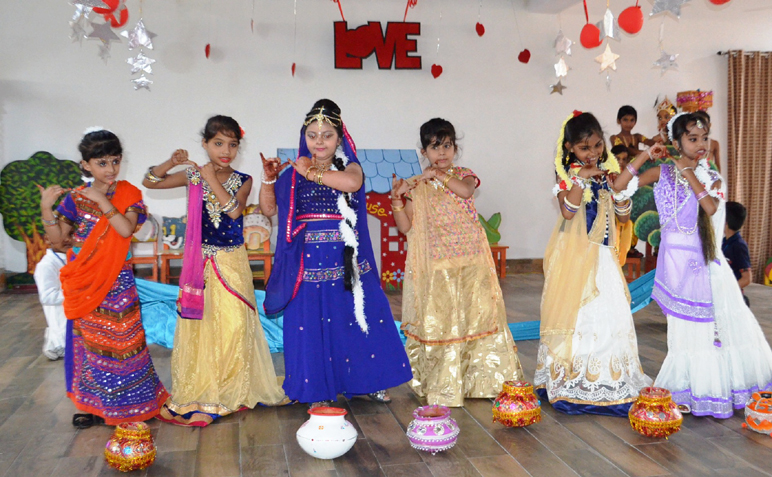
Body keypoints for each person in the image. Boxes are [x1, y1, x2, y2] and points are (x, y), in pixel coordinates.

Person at [615, 112, 772, 418]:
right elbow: (621, 186)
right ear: (676, 143)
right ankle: (688, 388)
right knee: (681, 332)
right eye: (692, 138)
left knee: (707, 331)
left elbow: (711, 208)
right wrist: (646, 154)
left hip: (704, 265)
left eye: (704, 138)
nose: (701, 144)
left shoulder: (712, 178)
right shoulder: (661, 172)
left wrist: (688, 172)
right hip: (674, 264)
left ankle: (707, 390)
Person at [261, 99, 412, 408]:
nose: (319, 141)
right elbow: (268, 209)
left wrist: (311, 174)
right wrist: (268, 180)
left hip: (347, 260)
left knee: (358, 319)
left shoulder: (348, 168)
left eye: (327, 135)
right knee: (312, 325)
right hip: (307, 264)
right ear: (304, 137)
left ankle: (368, 381)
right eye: (312, 135)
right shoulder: (293, 174)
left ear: (339, 139)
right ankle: (316, 390)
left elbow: (351, 183)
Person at [143, 115, 286, 426]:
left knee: (235, 325)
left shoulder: (244, 179)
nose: (226, 151)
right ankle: (206, 388)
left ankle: (234, 387)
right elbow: (150, 182)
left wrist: (210, 179)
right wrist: (171, 163)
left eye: (232, 145)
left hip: (231, 262)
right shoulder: (192, 175)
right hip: (199, 263)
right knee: (202, 326)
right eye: (218, 143)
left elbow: (234, 211)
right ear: (205, 144)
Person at [38, 128, 169, 429]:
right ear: (86, 165)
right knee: (89, 344)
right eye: (101, 163)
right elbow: (58, 240)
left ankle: (132, 404)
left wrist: (101, 200)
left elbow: (125, 230)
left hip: (117, 282)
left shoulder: (129, 193)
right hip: (84, 282)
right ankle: (95, 406)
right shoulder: (75, 199)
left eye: (115, 161)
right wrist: (46, 207)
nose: (110, 169)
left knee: (124, 343)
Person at [390, 118, 523, 407]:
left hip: (471, 261)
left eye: (447, 146)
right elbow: (405, 227)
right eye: (434, 147)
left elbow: (465, 191)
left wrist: (438, 176)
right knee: (445, 323)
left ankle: (482, 382)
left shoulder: (464, 175)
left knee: (476, 318)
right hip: (438, 266)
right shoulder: (417, 186)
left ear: (455, 148)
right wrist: (397, 200)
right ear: (424, 151)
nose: (442, 152)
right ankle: (445, 385)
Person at [534, 112, 653, 416]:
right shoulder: (566, 174)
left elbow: (623, 217)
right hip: (574, 256)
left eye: (597, 146)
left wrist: (620, 195)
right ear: (570, 147)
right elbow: (569, 211)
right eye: (584, 148)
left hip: (602, 256)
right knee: (579, 314)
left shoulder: (607, 171)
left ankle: (607, 379)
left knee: (609, 312)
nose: (592, 153)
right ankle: (573, 379)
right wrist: (581, 178)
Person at [33, 233, 71, 360]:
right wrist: (78, 294)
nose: (67, 239)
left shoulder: (75, 258)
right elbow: (47, 296)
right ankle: (55, 343)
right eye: (61, 235)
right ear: (47, 239)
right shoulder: (46, 265)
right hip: (63, 321)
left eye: (71, 234)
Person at [610, 145, 636, 266]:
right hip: (607, 221)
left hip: (622, 219)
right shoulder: (605, 176)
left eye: (624, 159)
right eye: (618, 158)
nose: (621, 162)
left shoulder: (629, 179)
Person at [723, 201, 752, 307]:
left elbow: (747, 279)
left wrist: (726, 290)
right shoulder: (724, 242)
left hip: (731, 300)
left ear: (725, 221)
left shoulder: (739, 246)